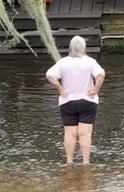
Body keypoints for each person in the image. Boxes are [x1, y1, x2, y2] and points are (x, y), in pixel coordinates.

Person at [45, 35, 106, 166]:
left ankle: (69, 162)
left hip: (68, 101)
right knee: (85, 134)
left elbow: (49, 75)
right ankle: (85, 163)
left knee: (70, 133)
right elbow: (101, 75)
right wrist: (95, 90)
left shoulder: (63, 62)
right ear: (84, 47)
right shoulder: (90, 62)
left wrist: (60, 89)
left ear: (70, 47)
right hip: (88, 101)